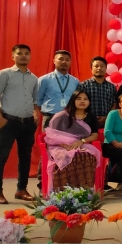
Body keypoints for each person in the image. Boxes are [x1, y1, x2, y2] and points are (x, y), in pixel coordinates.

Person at [0, 44, 40, 204]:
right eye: (19, 53)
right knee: (1, 156)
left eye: (26, 53)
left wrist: (36, 114)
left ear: (30, 56)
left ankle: (21, 189)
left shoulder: (34, 78)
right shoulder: (4, 74)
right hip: (8, 121)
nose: (23, 56)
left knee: (25, 157)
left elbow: (35, 100)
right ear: (13, 56)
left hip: (28, 123)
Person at [36, 50, 81, 190]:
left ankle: (65, 181)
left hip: (69, 120)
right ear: (54, 61)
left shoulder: (75, 81)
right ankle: (43, 181)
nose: (64, 62)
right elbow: (37, 101)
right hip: (50, 118)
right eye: (61, 59)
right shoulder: (44, 80)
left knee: (69, 149)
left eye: (67, 59)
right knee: (49, 150)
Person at [44, 90, 101, 191]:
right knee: (65, 156)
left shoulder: (91, 116)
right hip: (60, 146)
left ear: (89, 102)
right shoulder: (62, 116)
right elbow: (52, 135)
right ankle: (62, 191)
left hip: (81, 144)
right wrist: (65, 146)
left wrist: (82, 141)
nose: (82, 101)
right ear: (73, 100)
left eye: (85, 99)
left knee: (88, 156)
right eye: (79, 99)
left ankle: (84, 190)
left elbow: (95, 135)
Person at [80, 56, 117, 128]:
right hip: (87, 122)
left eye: (102, 66)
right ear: (91, 69)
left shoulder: (111, 87)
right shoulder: (84, 85)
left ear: (106, 68)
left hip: (107, 122)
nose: (99, 68)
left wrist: (107, 117)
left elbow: (114, 104)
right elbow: (80, 104)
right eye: (96, 66)